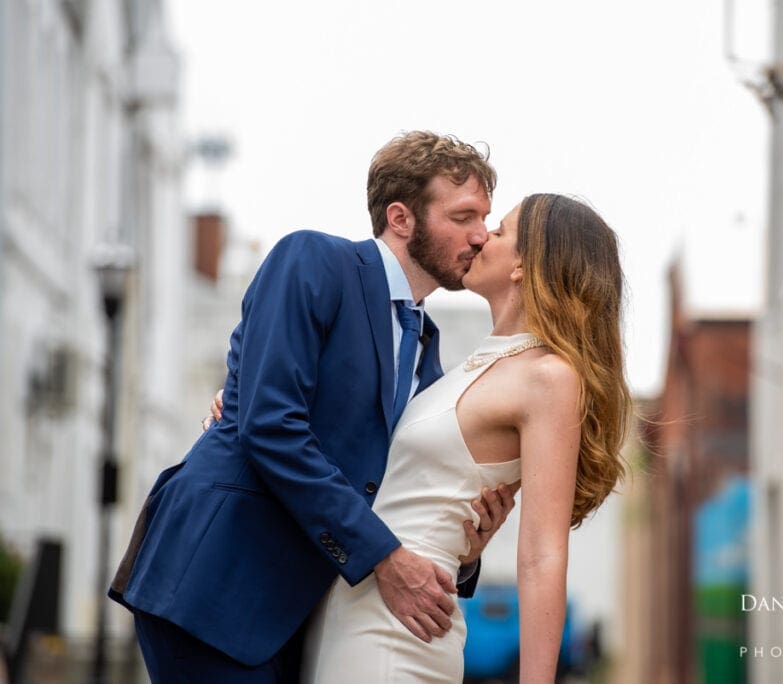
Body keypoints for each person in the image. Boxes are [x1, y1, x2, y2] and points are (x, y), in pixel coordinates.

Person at [108, 132, 518, 682]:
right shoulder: (313, 261)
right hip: (217, 583)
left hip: (302, 615)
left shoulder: (426, 343)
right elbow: (272, 426)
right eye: (464, 216)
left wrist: (467, 548)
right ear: (401, 218)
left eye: (486, 218)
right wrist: (384, 558)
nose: (481, 236)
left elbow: (399, 481)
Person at [296, 193, 631, 682]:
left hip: (398, 628)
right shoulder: (473, 365)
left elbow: (542, 553)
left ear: (525, 266)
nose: (481, 238)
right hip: (350, 611)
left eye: (499, 232)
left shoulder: (549, 378)